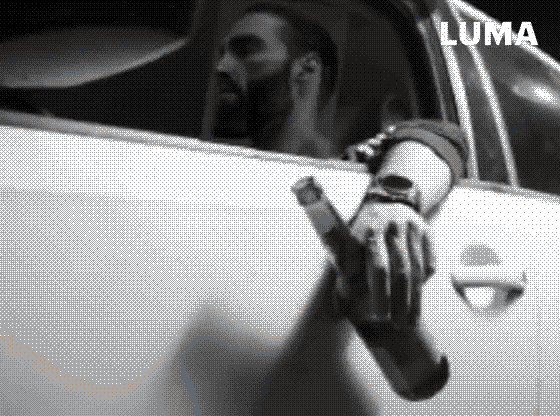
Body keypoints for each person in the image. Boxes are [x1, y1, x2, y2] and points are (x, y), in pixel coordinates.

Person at [210, 2, 470, 413]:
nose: (222, 66)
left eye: (246, 50)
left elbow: (438, 136)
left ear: (306, 70)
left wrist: (391, 199)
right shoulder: (217, 173)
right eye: (223, 53)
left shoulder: (354, 167)